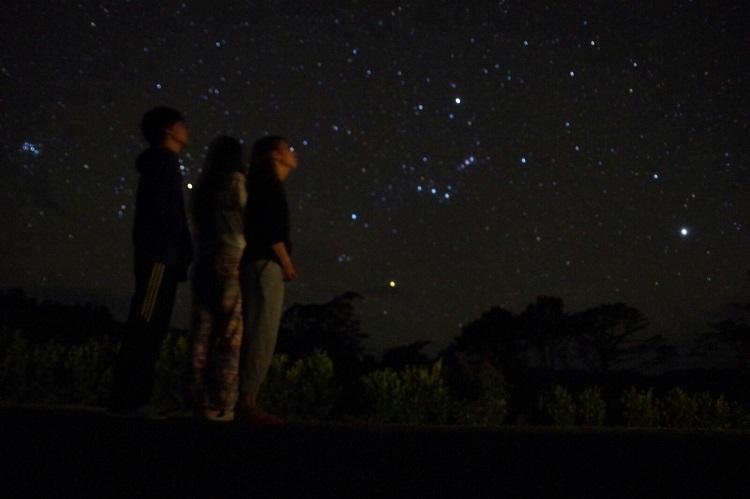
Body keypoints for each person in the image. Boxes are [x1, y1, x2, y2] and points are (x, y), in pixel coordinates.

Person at [108, 106, 194, 417]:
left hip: (161, 254)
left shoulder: (164, 163)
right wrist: (184, 245)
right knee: (146, 324)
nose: (187, 129)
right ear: (169, 130)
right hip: (160, 256)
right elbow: (164, 210)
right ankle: (130, 400)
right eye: (182, 124)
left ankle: (132, 398)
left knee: (151, 324)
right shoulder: (164, 162)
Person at [234, 135, 298, 424]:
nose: (292, 153)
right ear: (274, 155)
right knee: (262, 330)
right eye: (287, 148)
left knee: (255, 328)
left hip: (255, 264)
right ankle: (247, 401)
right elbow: (269, 227)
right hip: (265, 265)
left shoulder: (265, 184)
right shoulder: (268, 185)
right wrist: (285, 261)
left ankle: (242, 398)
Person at [189, 135, 247, 421]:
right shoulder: (237, 182)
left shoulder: (203, 187)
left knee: (202, 332)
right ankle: (221, 403)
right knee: (229, 334)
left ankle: (197, 399)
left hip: (204, 262)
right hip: (232, 258)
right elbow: (249, 218)